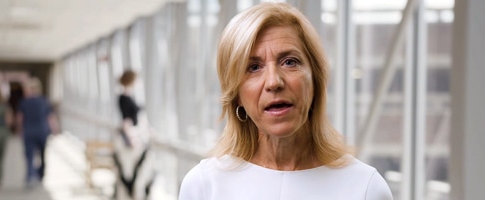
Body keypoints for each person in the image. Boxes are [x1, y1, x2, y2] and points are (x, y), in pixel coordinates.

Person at [179, 3, 393, 200]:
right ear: (237, 96)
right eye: (253, 67)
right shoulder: (204, 186)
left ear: (316, 81)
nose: (274, 82)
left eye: (290, 62)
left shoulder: (366, 188)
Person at [113, 69, 155, 200]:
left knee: (136, 170)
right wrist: (131, 138)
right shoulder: (124, 98)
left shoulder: (128, 96)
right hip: (131, 138)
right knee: (133, 170)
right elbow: (127, 120)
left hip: (134, 135)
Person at [17, 78, 57, 189]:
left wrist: (20, 131)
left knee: (29, 156)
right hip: (42, 131)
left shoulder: (24, 102)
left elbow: (20, 118)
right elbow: (51, 117)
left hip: (29, 131)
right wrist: (55, 131)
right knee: (43, 155)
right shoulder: (44, 101)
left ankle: (30, 176)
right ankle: (40, 174)